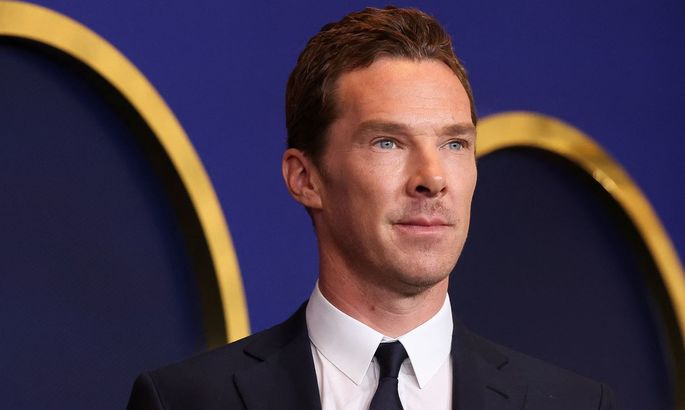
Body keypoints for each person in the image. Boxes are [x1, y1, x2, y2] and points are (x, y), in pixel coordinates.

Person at [127, 6, 615, 409]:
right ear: (305, 178)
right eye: (388, 142)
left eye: (454, 144)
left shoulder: (575, 404)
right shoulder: (185, 401)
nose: (432, 179)